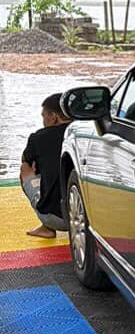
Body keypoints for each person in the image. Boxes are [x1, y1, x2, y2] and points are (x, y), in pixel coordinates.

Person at [20, 93, 71, 239]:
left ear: (53, 117)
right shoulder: (86, 134)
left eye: (44, 116)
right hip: (89, 218)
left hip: (58, 219)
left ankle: (47, 227)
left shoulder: (39, 137)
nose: (43, 121)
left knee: (26, 168)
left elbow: (26, 162)